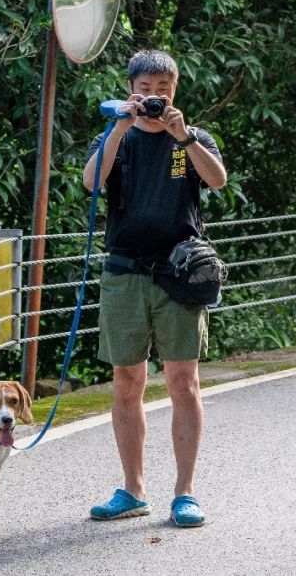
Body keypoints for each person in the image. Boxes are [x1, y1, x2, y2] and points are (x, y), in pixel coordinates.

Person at [82, 49, 227, 528]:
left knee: (183, 382)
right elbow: (90, 183)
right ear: (132, 89)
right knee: (127, 381)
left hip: (179, 274)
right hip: (124, 272)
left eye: (163, 90)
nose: (154, 98)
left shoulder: (191, 138)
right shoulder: (117, 138)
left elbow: (218, 180)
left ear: (174, 91)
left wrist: (181, 135)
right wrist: (120, 125)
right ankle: (133, 489)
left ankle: (185, 492)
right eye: (146, 90)